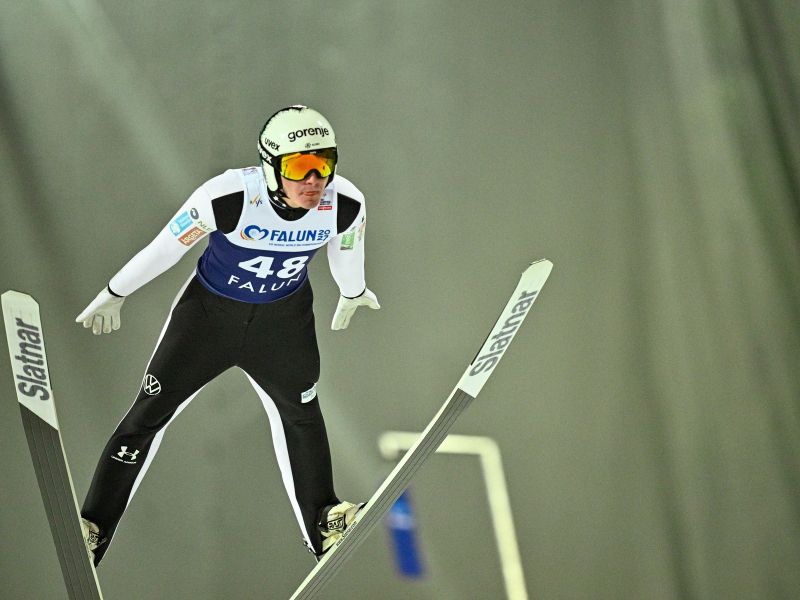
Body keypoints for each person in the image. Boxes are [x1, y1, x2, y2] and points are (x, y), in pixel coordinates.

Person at [75, 105, 379, 565]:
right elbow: (166, 248)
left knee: (302, 416)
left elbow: (347, 249)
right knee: (148, 414)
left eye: (325, 163)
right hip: (207, 320)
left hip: (282, 324)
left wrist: (353, 291)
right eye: (300, 166)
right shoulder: (229, 195)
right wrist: (115, 291)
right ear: (270, 166)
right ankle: (94, 526)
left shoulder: (347, 202)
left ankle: (324, 522)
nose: (315, 179)